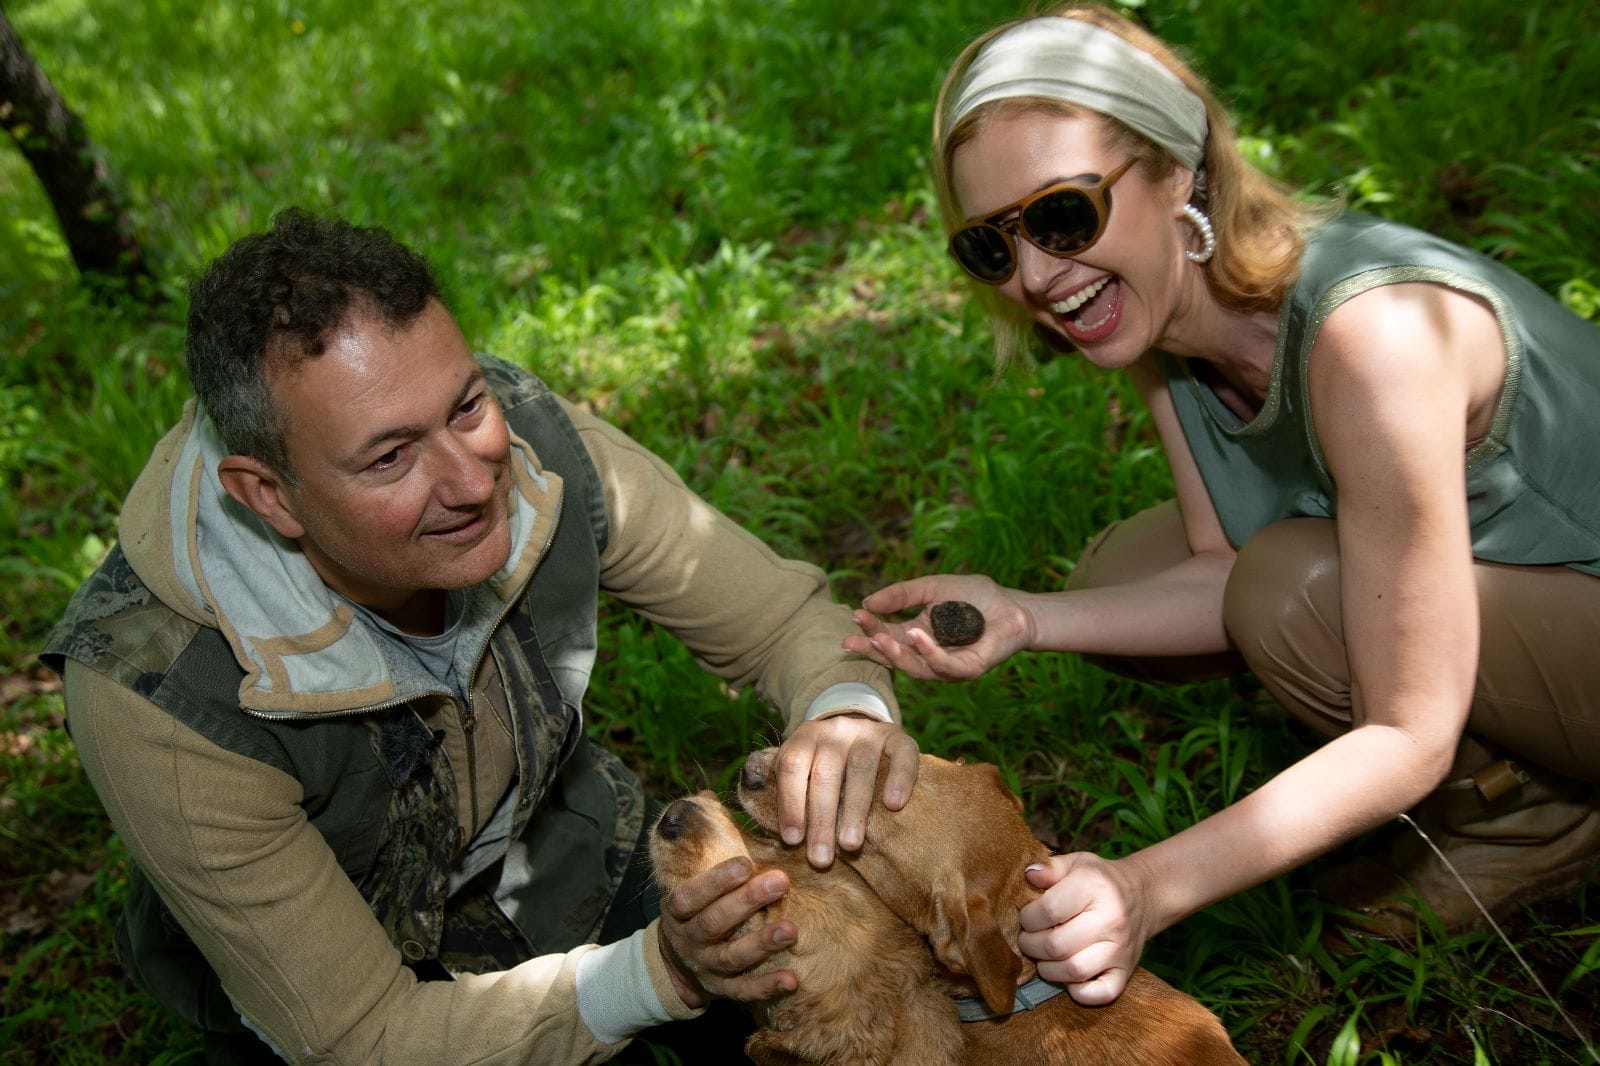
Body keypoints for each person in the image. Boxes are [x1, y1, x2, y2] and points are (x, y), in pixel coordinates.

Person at [846, 1, 1600, 1007]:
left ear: (1177, 169)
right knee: (1125, 577)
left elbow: (1405, 730)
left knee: (1290, 585)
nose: (1032, 274)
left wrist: (1147, 885)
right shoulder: (1167, 337)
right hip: (1531, 609)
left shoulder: (1371, 341)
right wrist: (1027, 619)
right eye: (990, 246)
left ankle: (1528, 813)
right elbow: (1214, 566)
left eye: (1063, 214)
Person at [40, 208, 919, 1064]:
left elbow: (786, 623)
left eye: (465, 407)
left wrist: (847, 717)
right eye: (390, 458)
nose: (472, 480)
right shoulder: (158, 697)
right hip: (345, 988)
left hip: (572, 860)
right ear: (268, 495)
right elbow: (363, 1036)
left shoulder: (541, 446)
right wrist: (665, 975)